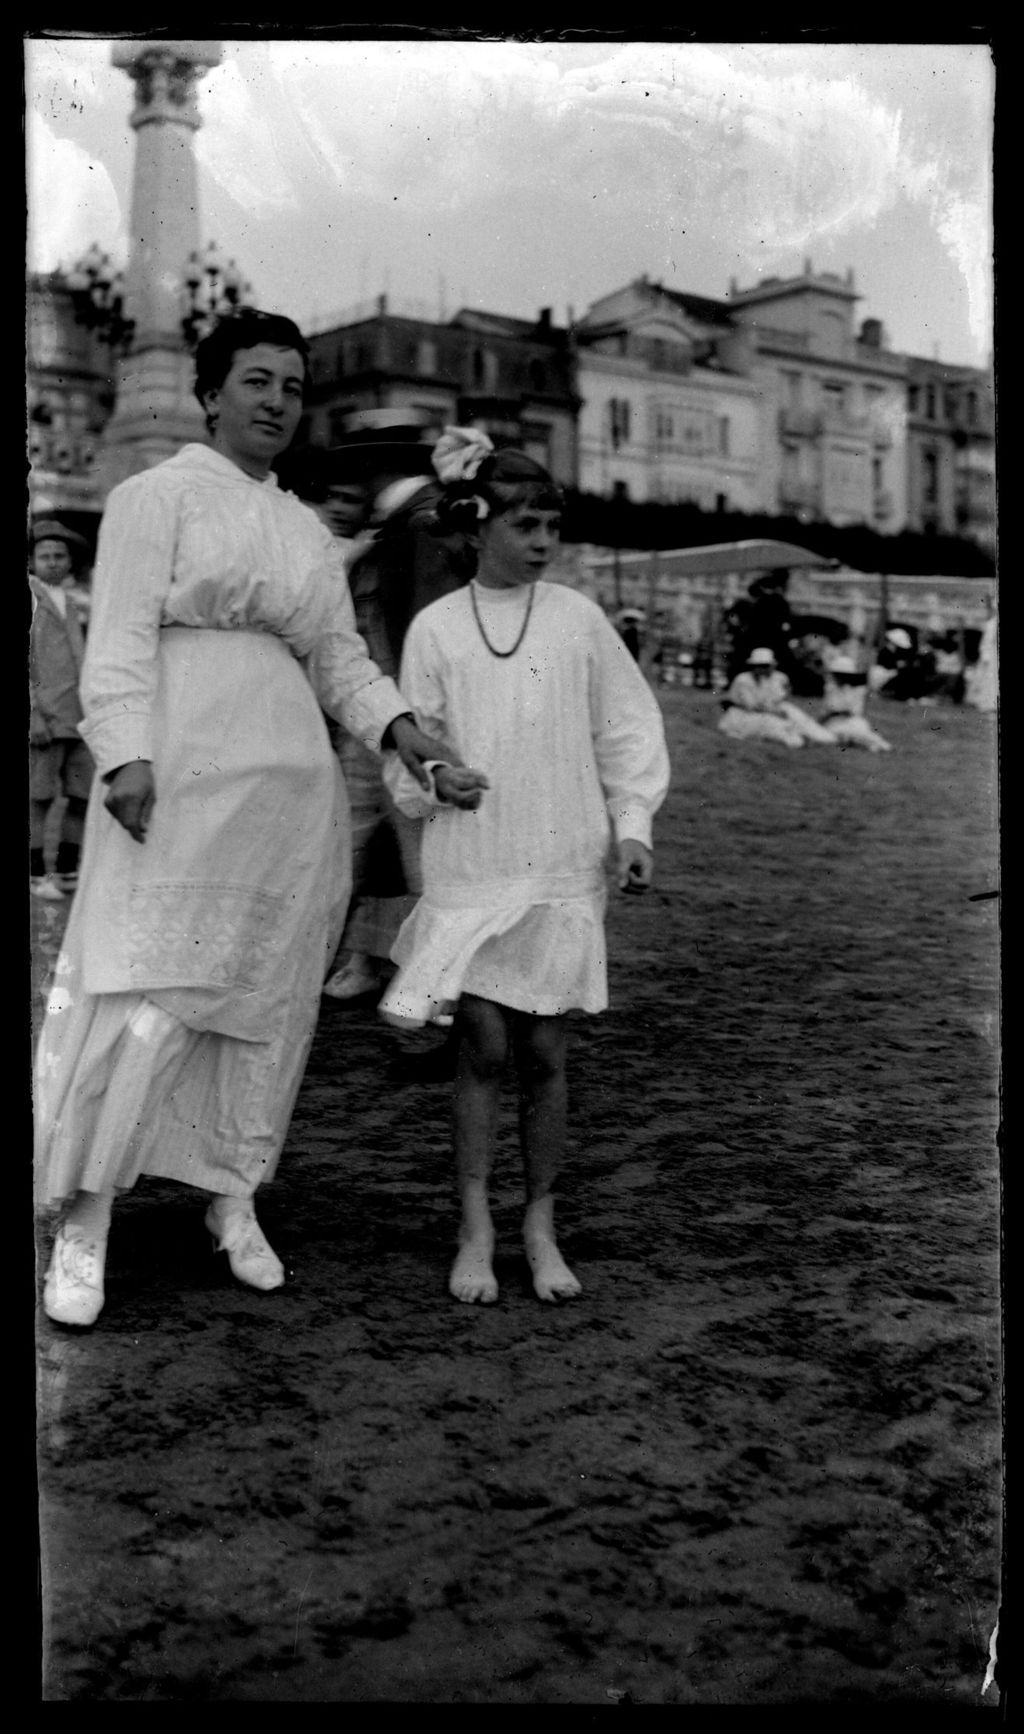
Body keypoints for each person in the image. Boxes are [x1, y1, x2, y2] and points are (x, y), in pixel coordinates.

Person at [34, 308, 465, 1330]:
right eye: (259, 381)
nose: (277, 402)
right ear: (213, 390)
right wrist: (129, 756)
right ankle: (85, 1219)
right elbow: (123, 637)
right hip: (178, 777)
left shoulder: (305, 532)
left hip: (289, 797)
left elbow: (338, 660)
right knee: (154, 989)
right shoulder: (154, 496)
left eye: (293, 387)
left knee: (266, 1000)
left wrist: (407, 733)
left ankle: (232, 1195)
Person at [377, 444, 671, 1305]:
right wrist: (437, 778)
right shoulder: (435, 628)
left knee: (545, 1048)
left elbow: (627, 727)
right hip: (473, 858)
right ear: (477, 528)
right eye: (525, 524)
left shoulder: (577, 619)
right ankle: (476, 1224)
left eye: (552, 525)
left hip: (559, 856)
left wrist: (634, 827)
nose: (543, 540)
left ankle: (539, 1222)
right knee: (484, 1042)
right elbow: (409, 743)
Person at [321, 413, 477, 1004]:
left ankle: (438, 990)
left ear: (372, 468)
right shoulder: (399, 525)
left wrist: (422, 720)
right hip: (376, 717)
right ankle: (379, 966)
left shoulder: (420, 523)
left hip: (403, 720)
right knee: (377, 848)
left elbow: (427, 631)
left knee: (417, 854)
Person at [29, 519, 96, 899]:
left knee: (80, 794)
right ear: (33, 561)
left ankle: (68, 869)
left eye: (59, 556)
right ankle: (37, 872)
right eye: (44, 556)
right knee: (39, 797)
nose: (52, 562)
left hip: (78, 712)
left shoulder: (73, 603)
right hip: (46, 712)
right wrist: (34, 711)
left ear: (70, 562)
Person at [718, 646, 838, 747]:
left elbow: (776, 698)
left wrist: (777, 708)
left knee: (795, 715)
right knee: (774, 724)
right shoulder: (743, 680)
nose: (766, 669)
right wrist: (774, 711)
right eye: (762, 666)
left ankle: (822, 737)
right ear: (755, 666)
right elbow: (751, 706)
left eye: (767, 666)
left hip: (765, 711)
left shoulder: (768, 680)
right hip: (744, 715)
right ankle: (798, 740)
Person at [819, 655, 893, 752]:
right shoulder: (831, 689)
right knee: (846, 733)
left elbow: (852, 711)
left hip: (853, 721)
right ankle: (873, 744)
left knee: (860, 729)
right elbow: (829, 711)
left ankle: (877, 743)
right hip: (834, 723)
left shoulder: (857, 690)